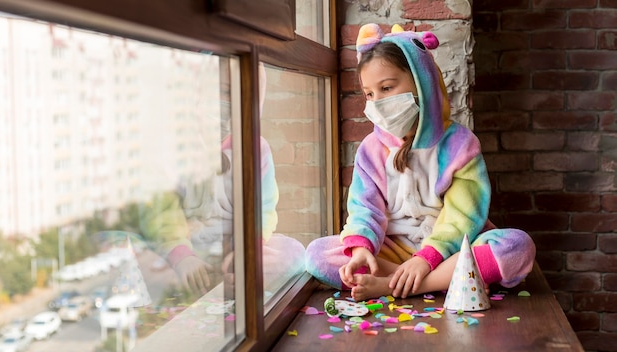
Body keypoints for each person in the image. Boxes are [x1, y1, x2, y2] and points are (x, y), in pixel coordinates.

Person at [304, 23, 536, 302]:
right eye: (369, 93)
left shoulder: (460, 145)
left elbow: (463, 215)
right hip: (393, 250)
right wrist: (362, 248)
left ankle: (393, 285)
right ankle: (447, 280)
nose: (376, 102)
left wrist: (426, 258)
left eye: (387, 88)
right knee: (318, 255)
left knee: (517, 247)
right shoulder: (371, 150)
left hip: (447, 250)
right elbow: (364, 207)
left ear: (421, 83)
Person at [140, 63, 305, 296]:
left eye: (230, 91)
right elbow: (161, 212)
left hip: (235, 250)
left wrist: (246, 251)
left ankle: (223, 282)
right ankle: (206, 281)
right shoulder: (174, 147)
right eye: (215, 90)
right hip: (188, 248)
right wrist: (183, 257)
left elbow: (264, 209)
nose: (222, 99)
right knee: (135, 258)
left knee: (293, 254)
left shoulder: (257, 148)